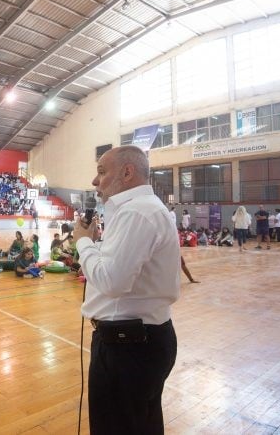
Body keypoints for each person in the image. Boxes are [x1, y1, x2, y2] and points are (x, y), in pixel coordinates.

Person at [71, 145, 179, 434]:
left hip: (127, 347)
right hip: (140, 340)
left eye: (102, 172)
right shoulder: (144, 211)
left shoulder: (137, 213)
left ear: (127, 172)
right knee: (141, 425)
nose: (95, 181)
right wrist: (94, 244)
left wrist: (82, 241)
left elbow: (112, 281)